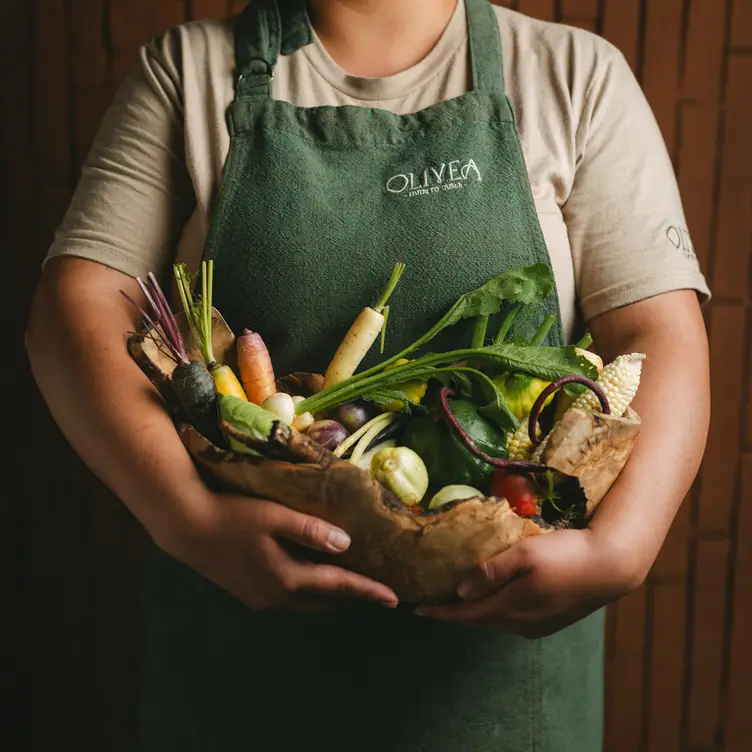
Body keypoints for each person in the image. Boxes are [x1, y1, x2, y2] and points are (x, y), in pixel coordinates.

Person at [25, 0, 711, 749]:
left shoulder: (575, 77)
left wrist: (622, 548)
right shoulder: (187, 72)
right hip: (242, 670)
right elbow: (74, 311)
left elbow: (660, 333)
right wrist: (186, 517)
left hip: (499, 692)